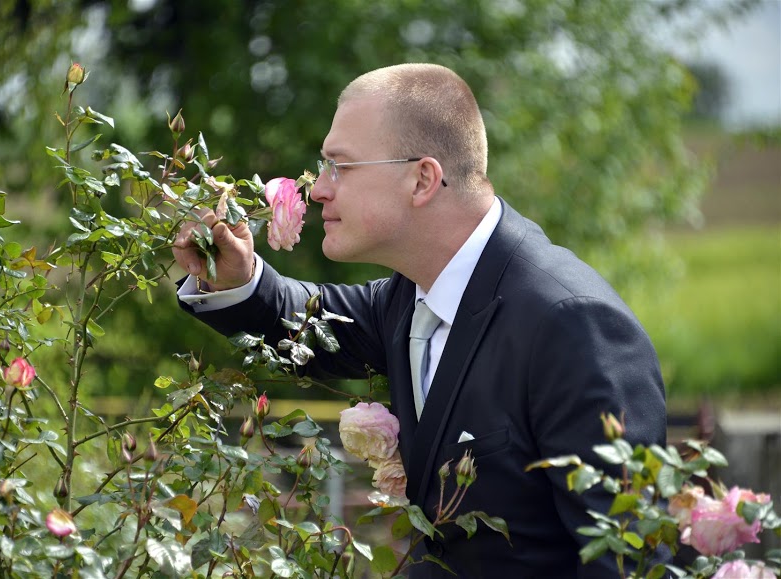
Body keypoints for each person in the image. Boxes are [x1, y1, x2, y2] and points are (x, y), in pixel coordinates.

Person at [172, 63, 667, 578]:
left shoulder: (573, 326)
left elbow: (629, 558)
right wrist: (236, 276)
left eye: (340, 166)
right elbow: (305, 323)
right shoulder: (410, 297)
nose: (318, 190)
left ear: (422, 179)